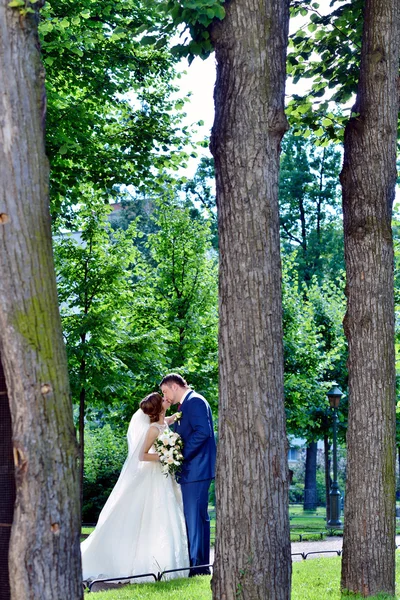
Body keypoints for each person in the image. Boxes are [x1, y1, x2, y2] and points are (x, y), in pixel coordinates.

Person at [81, 392, 189, 583]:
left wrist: (175, 418)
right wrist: (165, 456)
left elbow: (168, 421)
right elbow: (142, 455)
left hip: (164, 477)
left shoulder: (163, 424)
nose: (166, 399)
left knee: (167, 516)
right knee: (152, 516)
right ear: (158, 407)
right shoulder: (153, 429)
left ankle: (168, 563)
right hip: (152, 476)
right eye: (163, 399)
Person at [160, 373, 216, 576]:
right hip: (193, 471)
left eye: (165, 391)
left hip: (197, 470)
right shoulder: (185, 405)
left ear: (174, 386)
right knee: (196, 518)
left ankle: (198, 568)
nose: (165, 396)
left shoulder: (195, 402)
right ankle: (198, 565)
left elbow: (203, 432)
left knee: (196, 519)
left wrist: (180, 454)